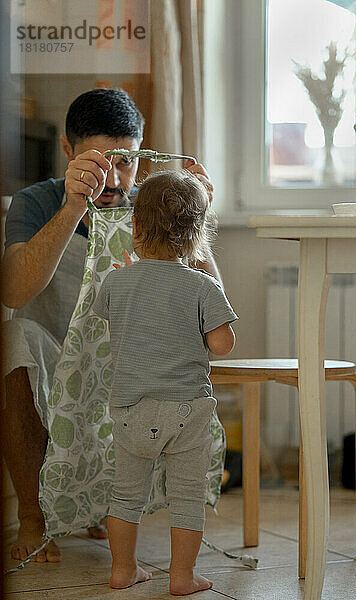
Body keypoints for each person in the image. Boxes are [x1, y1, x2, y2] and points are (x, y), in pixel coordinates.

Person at [2, 88, 219, 564]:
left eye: (128, 162)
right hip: (55, 352)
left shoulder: (155, 206)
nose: (115, 178)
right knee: (11, 341)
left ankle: (106, 505)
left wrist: (199, 222)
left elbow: (208, 306)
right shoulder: (35, 202)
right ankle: (33, 515)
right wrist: (74, 207)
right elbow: (14, 293)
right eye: (100, 162)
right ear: (67, 150)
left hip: (128, 360)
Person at [92, 169, 237, 595]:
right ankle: (182, 576)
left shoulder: (116, 280)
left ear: (135, 227)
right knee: (187, 497)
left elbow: (113, 320)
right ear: (198, 236)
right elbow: (223, 345)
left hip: (130, 409)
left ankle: (122, 570)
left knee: (125, 496)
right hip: (185, 411)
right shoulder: (203, 285)